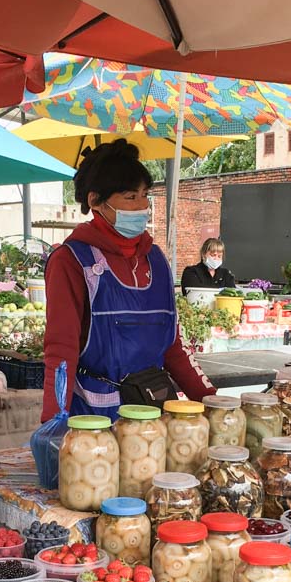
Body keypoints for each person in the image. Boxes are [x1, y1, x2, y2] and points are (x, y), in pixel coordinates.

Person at [41, 139, 215, 421]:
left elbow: (174, 346)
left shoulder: (155, 260)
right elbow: (61, 352)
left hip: (153, 415)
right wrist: (53, 422)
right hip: (95, 419)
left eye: (145, 195)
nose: (142, 206)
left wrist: (214, 404)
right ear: (95, 200)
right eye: (130, 197)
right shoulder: (72, 261)